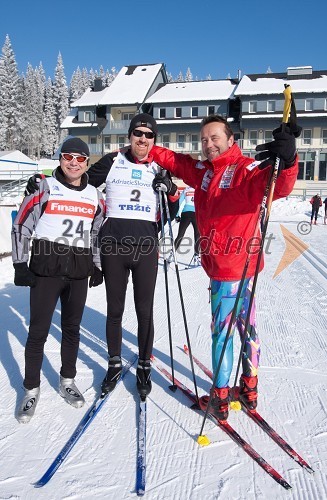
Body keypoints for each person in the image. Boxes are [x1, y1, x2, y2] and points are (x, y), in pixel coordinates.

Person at [150, 114, 299, 420]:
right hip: (235, 265)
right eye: (204, 139)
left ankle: (219, 398)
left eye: (215, 138)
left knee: (224, 331)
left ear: (231, 140)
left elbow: (278, 186)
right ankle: (249, 388)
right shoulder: (203, 171)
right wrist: (148, 147)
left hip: (232, 268)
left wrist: (289, 158)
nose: (208, 144)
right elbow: (177, 162)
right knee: (246, 326)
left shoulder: (245, 170)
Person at [25, 115, 179, 399]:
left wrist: (170, 191)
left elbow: (175, 209)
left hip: (145, 248)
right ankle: (114, 363)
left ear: (154, 139)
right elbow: (77, 178)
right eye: (137, 133)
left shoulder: (160, 168)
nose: (142, 139)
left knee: (144, 310)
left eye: (148, 134)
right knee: (115, 310)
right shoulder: (112, 161)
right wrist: (41, 181)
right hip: (113, 248)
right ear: (130, 135)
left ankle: (144, 365)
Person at [12, 138, 105, 423]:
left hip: (78, 270)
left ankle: (67, 380)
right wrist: (19, 262)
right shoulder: (44, 187)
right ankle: (30, 388)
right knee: (38, 331)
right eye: (68, 156)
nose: (74, 162)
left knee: (71, 330)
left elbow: (98, 232)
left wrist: (97, 265)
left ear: (87, 163)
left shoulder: (94, 196)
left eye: (80, 158)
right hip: (46, 268)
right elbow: (22, 224)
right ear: (60, 159)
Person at [169, 185, 201, 266]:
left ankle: (172, 254)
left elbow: (179, 202)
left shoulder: (186, 189)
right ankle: (196, 257)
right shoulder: (198, 189)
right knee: (197, 235)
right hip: (195, 214)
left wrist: (177, 215)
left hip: (185, 213)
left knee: (180, 235)